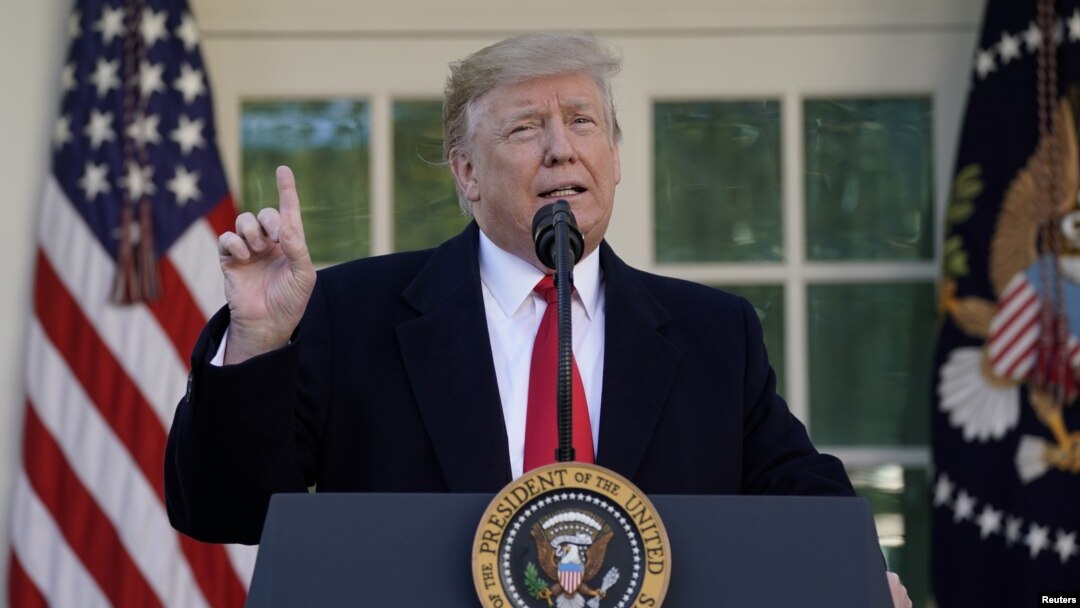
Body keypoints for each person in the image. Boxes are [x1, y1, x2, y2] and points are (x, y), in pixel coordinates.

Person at [164, 33, 910, 607]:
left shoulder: (713, 332)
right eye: (525, 128)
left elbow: (797, 490)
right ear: (466, 173)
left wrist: (859, 574)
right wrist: (260, 339)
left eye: (582, 121)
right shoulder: (349, 314)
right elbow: (224, 508)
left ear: (613, 157)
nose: (561, 147)